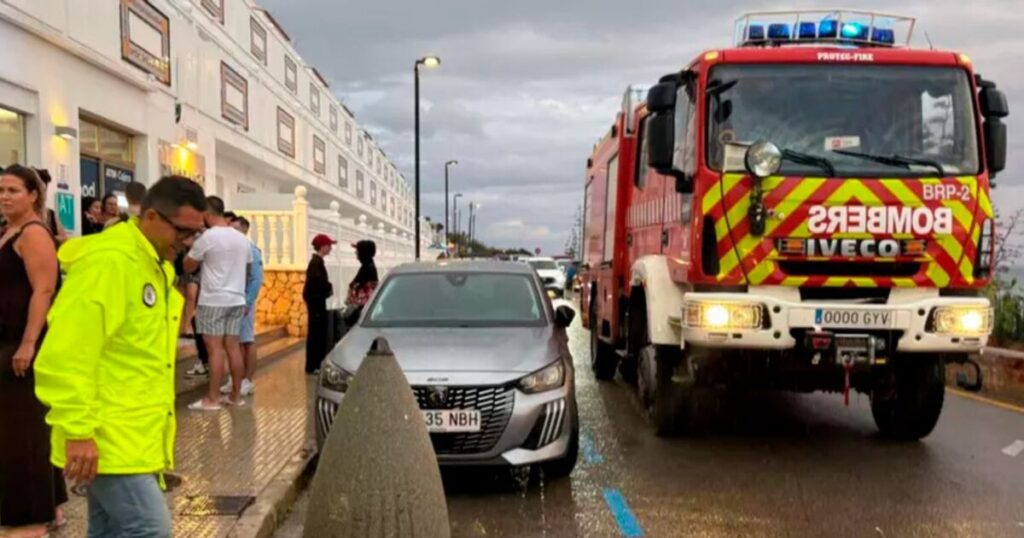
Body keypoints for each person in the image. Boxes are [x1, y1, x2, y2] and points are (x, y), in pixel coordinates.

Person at [34, 176, 206, 538]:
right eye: (182, 231)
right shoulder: (110, 263)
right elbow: (65, 353)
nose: (188, 242)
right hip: (105, 434)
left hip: (134, 435)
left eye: (195, 234)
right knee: (149, 530)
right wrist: (78, 431)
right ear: (151, 217)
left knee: (110, 530)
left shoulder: (153, 265)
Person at [0, 165, 66, 538]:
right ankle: (49, 507)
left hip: (21, 341)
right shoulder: (10, 231)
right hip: (8, 339)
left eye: (13, 190)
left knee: (21, 430)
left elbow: (43, 290)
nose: (5, 196)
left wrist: (28, 342)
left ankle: (31, 519)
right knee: (21, 427)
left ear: (33, 195)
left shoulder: (34, 233)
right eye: (1, 190)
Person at [184, 196, 252, 411]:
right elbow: (248, 270)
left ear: (206, 213)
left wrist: (190, 250)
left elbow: (188, 266)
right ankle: (235, 396)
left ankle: (212, 398)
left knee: (214, 350)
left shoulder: (208, 237)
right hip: (237, 299)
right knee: (233, 347)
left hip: (213, 300)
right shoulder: (242, 239)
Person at [221, 216, 263, 396]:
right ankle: (235, 378)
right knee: (233, 342)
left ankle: (247, 380)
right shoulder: (232, 250)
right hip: (231, 301)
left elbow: (256, 279)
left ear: (245, 230)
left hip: (244, 302)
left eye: (236, 229)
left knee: (246, 341)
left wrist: (247, 302)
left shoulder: (251, 250)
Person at [303, 234, 335, 374]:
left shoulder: (318, 262)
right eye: (329, 245)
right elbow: (318, 283)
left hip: (317, 301)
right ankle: (313, 365)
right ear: (322, 247)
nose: (330, 248)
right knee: (316, 333)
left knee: (318, 332)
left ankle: (316, 363)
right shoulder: (316, 263)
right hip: (316, 303)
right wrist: (328, 288)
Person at [33, 168, 68, 244]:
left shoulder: (50, 214)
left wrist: (47, 238)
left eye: (44, 190)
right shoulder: (19, 213)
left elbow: (64, 238)